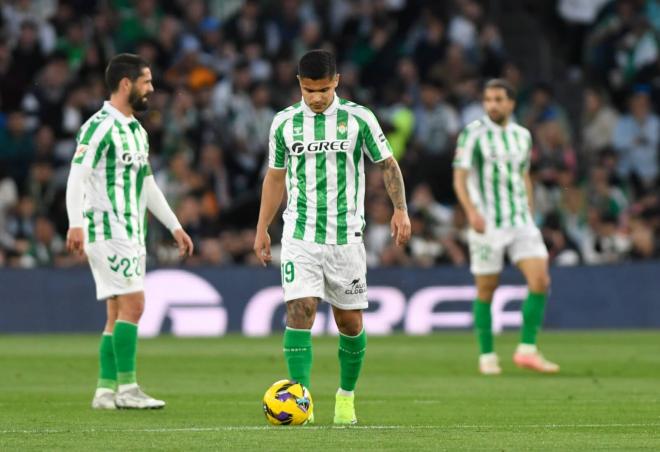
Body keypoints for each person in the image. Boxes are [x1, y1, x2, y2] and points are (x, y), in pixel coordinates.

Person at [253, 49, 411, 424]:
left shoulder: (359, 118)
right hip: (299, 235)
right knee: (300, 310)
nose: (317, 97)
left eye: (323, 88)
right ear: (299, 85)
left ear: (336, 81)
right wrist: (262, 227)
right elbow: (275, 178)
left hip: (346, 237)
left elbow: (388, 164)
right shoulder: (284, 124)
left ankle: (346, 396)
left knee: (349, 323)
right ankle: (300, 403)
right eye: (309, 90)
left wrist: (400, 208)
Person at [65, 54, 193, 410]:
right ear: (126, 84)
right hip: (107, 229)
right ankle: (128, 388)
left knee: (117, 311)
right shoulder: (99, 127)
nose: (151, 88)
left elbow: (147, 185)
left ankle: (105, 391)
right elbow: (77, 176)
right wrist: (75, 222)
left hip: (131, 231)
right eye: (146, 81)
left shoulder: (136, 130)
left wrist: (175, 225)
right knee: (135, 305)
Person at [453, 78, 559, 376]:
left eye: (499, 99)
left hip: (520, 222)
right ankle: (487, 355)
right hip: (487, 224)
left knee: (540, 281)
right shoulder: (473, 134)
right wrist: (471, 211)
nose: (493, 105)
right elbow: (460, 177)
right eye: (488, 99)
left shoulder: (522, 136)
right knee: (487, 288)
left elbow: (524, 175)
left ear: (511, 103)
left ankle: (527, 349)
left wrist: (529, 208)